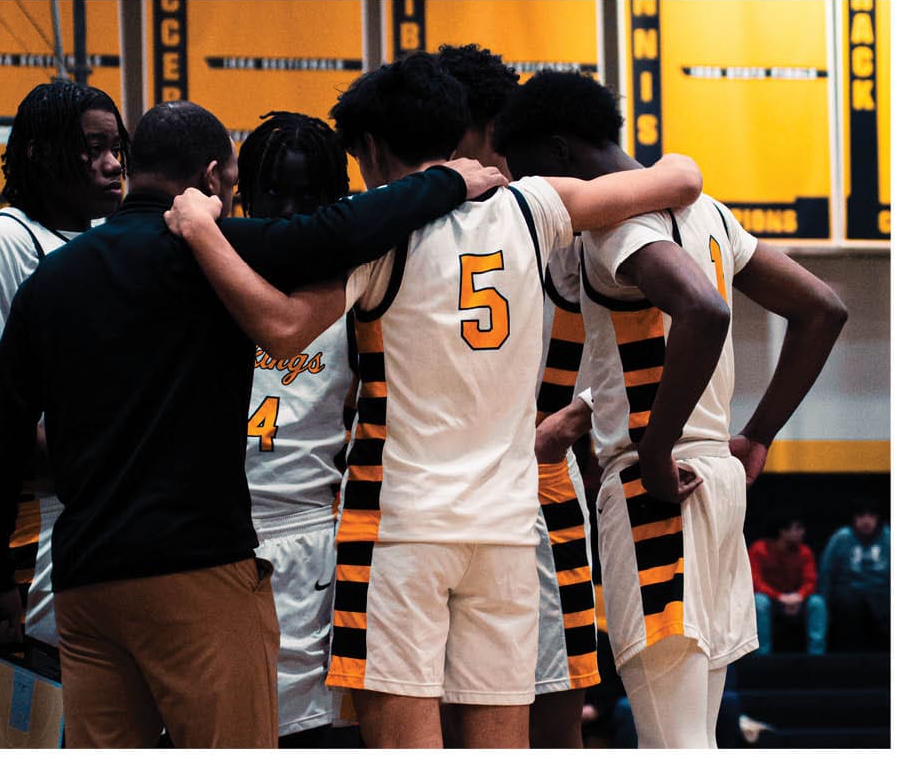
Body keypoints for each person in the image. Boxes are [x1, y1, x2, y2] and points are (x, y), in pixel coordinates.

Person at [165, 52, 703, 748]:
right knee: (501, 740)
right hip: (507, 527)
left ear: (370, 148)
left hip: (402, 528)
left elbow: (279, 325)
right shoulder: (536, 205)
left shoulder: (373, 230)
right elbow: (682, 178)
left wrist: (203, 233)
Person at [0, 98, 511, 748]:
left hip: (85, 578)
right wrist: (450, 179)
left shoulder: (48, 282)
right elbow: (340, 231)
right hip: (196, 566)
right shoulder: (212, 253)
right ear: (217, 178)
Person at [493, 69, 848, 748]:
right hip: (716, 477)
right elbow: (821, 309)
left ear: (561, 153)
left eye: (534, 176)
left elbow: (704, 310)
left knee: (670, 742)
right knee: (697, 737)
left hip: (658, 490)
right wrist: (758, 434)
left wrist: (655, 449)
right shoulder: (710, 212)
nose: (541, 200)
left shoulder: (615, 222)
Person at [437, 42, 599, 750]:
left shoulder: (550, 212)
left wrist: (584, 409)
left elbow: (632, 319)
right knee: (451, 696)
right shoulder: (425, 212)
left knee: (550, 692)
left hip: (531, 482)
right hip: (455, 482)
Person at [0, 80, 129, 644]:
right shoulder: (0, 242)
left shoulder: (106, 241)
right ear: (42, 154)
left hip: (95, 512)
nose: (113, 163)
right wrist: (77, 462)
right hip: (26, 524)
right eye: (94, 148)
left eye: (118, 147)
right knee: (41, 717)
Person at [236, 110, 356, 746]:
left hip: (313, 535)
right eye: (272, 195)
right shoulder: (212, 278)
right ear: (243, 198)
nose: (286, 213)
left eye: (306, 197)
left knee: (311, 736)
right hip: (219, 543)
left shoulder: (356, 290)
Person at [748, 509, 827, 654]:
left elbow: (810, 582)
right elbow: (755, 582)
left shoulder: (805, 552)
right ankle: (762, 655)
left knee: (817, 603)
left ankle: (817, 655)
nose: (802, 532)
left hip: (796, 600)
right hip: (772, 600)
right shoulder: (759, 550)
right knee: (759, 601)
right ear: (782, 531)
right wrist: (780, 597)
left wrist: (799, 596)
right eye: (797, 528)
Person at [818, 498, 890, 651]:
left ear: (878, 519)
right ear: (854, 519)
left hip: (881, 594)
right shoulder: (841, 538)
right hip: (849, 594)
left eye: (871, 516)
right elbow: (826, 572)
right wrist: (825, 603)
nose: (866, 521)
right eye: (861, 516)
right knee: (848, 604)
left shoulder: (889, 538)